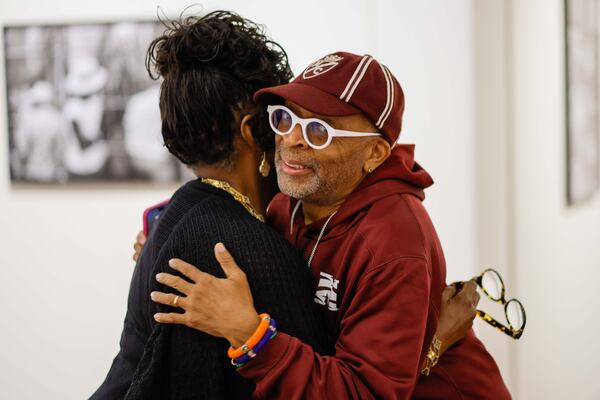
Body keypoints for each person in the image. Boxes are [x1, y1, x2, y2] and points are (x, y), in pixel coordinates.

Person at [149, 51, 511, 399]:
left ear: (374, 154)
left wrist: (249, 333)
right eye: (286, 118)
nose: (291, 139)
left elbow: (361, 393)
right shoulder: (290, 202)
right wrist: (166, 233)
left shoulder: (392, 242)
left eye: (319, 131)